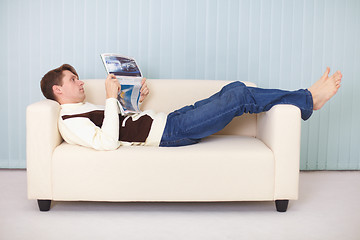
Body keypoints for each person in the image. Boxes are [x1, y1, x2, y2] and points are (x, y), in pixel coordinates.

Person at [40, 64, 342, 150]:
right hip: (169, 133)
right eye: (73, 79)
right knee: (239, 100)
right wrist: (108, 98)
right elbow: (107, 142)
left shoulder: (83, 106)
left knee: (236, 88)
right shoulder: (69, 121)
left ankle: (306, 99)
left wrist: (133, 96)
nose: (80, 83)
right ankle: (308, 100)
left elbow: (119, 120)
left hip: (167, 119)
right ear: (58, 89)